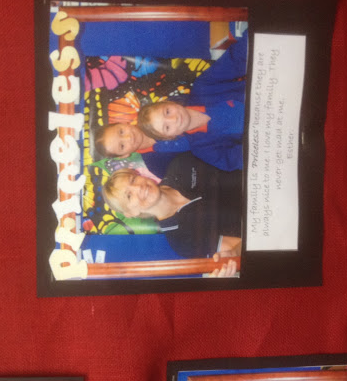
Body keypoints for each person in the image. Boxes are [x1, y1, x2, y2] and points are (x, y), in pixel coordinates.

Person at [92, 29, 248, 173]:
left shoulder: (202, 90)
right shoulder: (197, 150)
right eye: (122, 145)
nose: (128, 138)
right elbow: (234, 161)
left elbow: (236, 59)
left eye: (121, 132)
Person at [102, 153, 242, 273]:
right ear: (131, 213)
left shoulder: (181, 164)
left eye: (133, 180)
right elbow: (238, 246)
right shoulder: (182, 242)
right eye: (129, 196)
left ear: (139, 174)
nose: (138, 187)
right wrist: (234, 254)